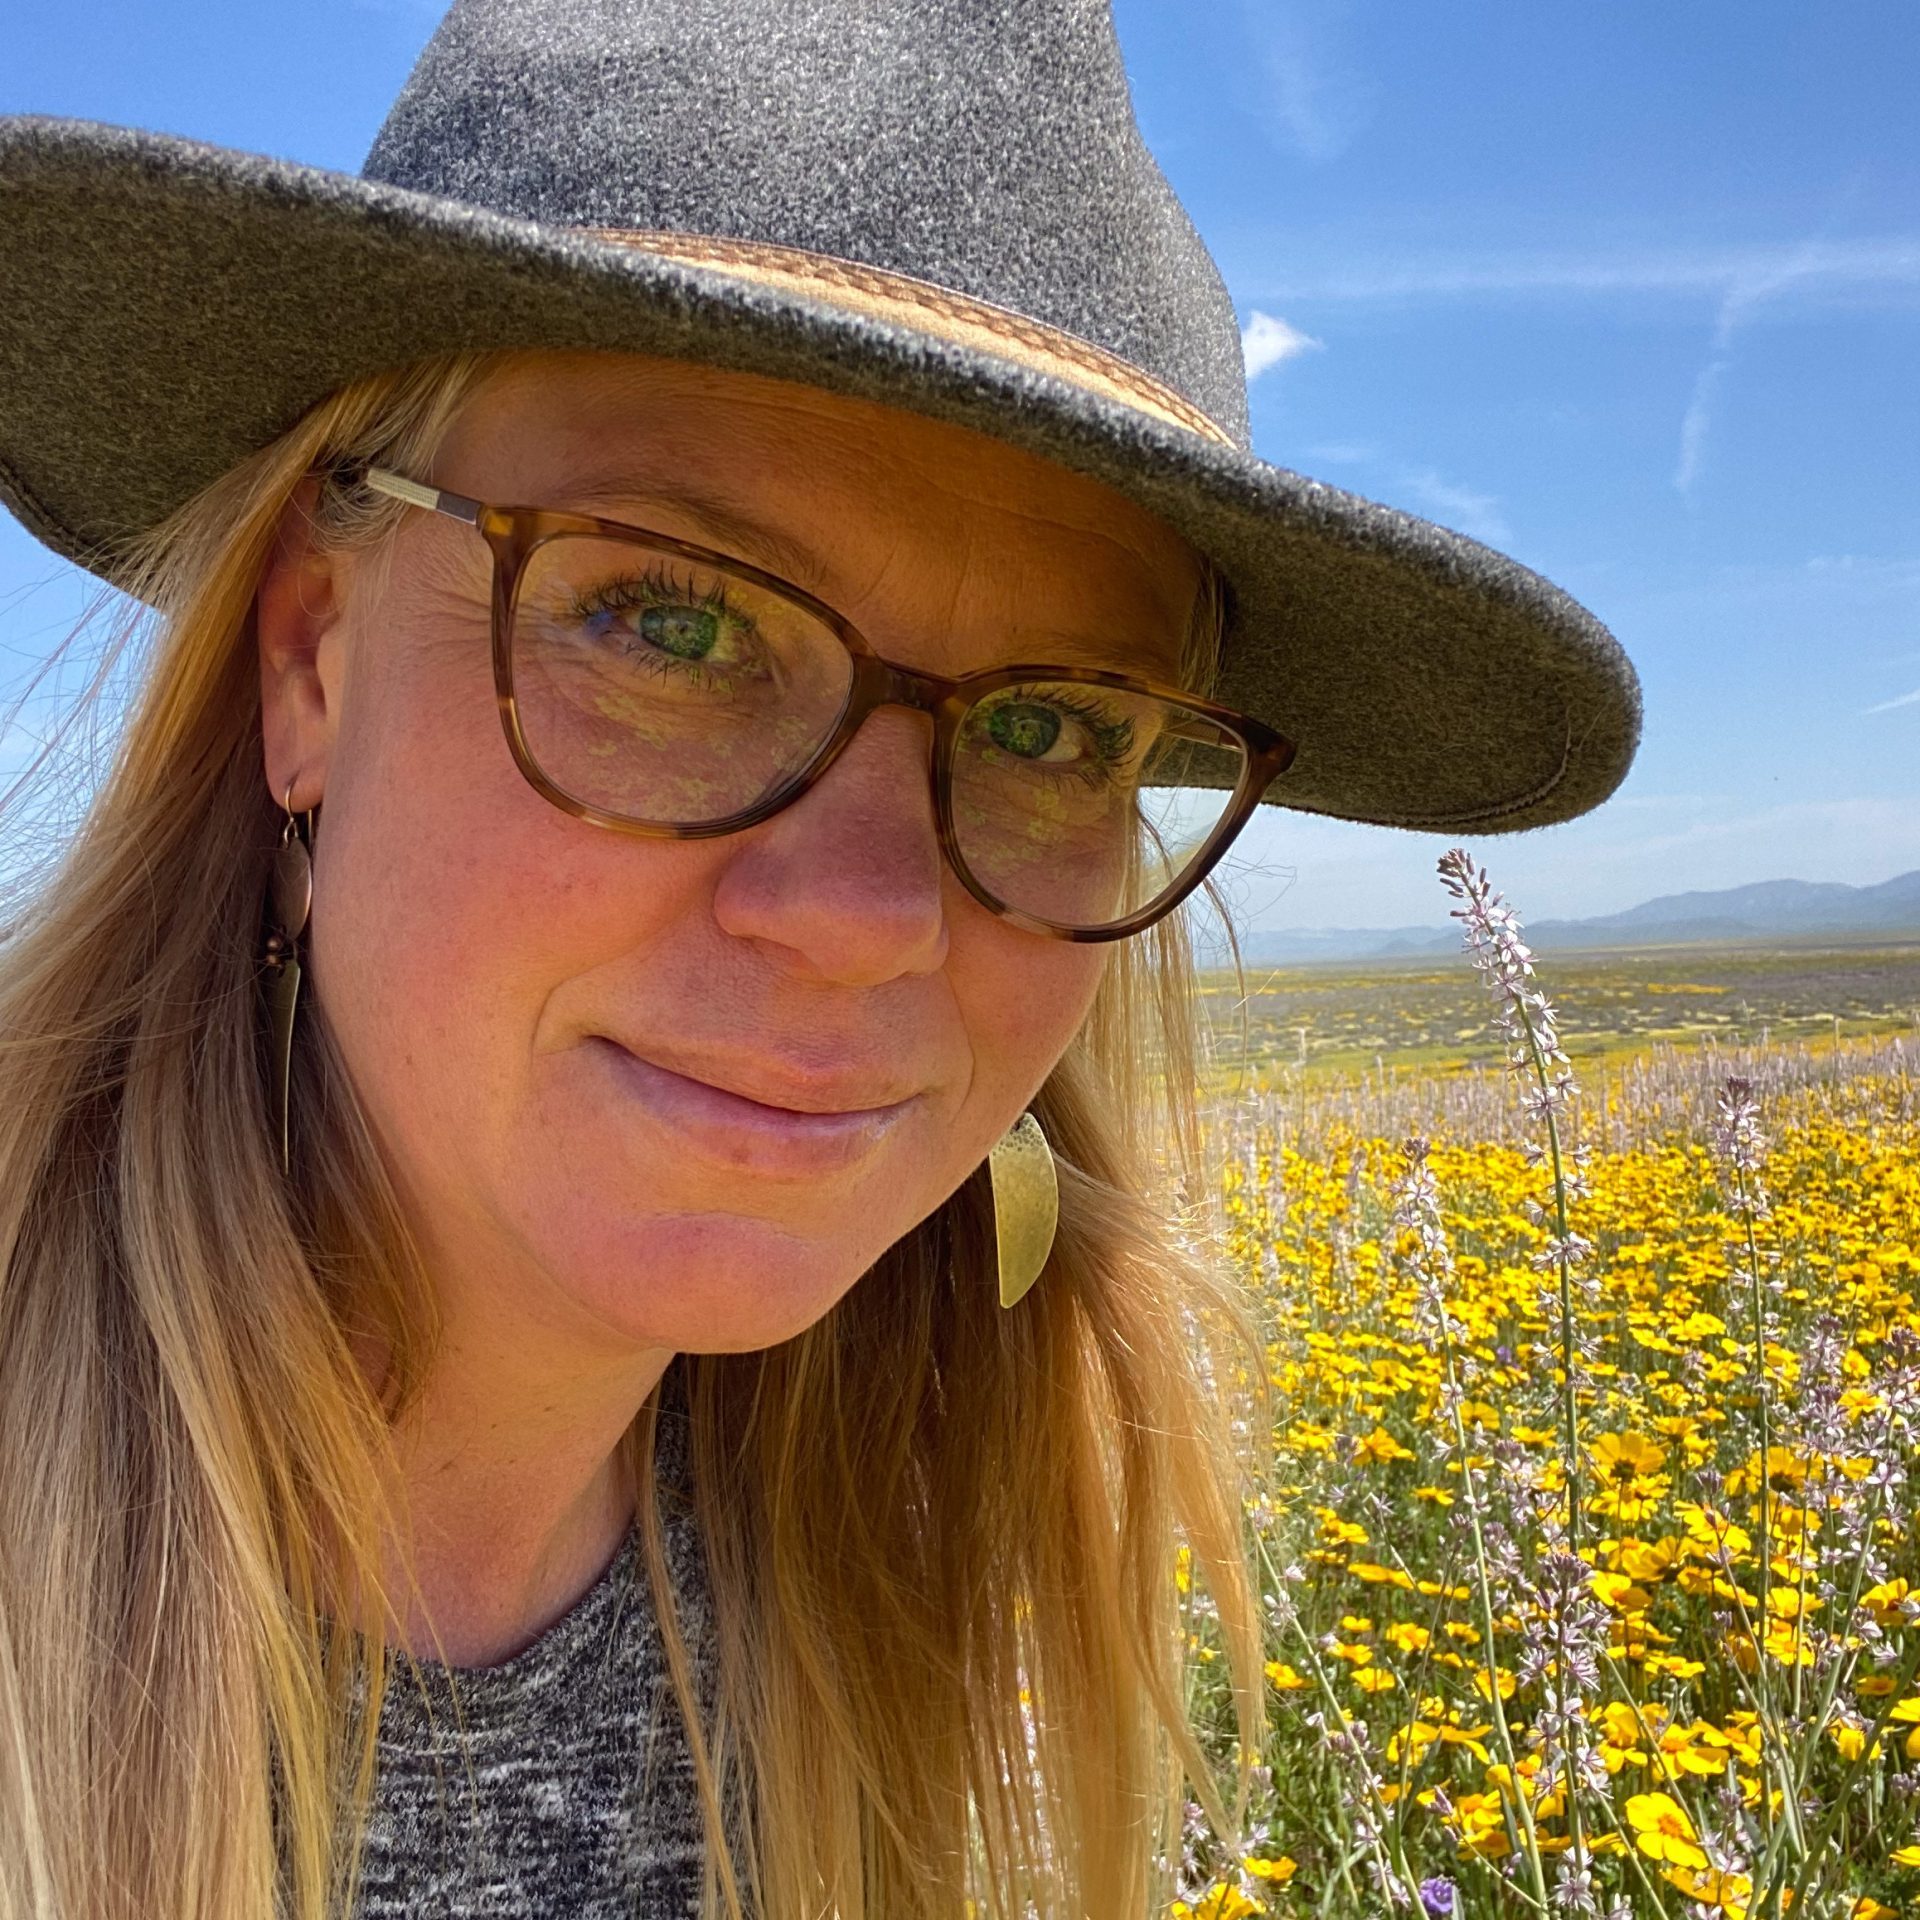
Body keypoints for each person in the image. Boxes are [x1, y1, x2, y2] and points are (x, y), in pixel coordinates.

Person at [0, 2, 1640, 1917]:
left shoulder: (928, 1555)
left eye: (1051, 728)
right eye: (673, 623)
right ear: (311, 662)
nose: (870, 917)